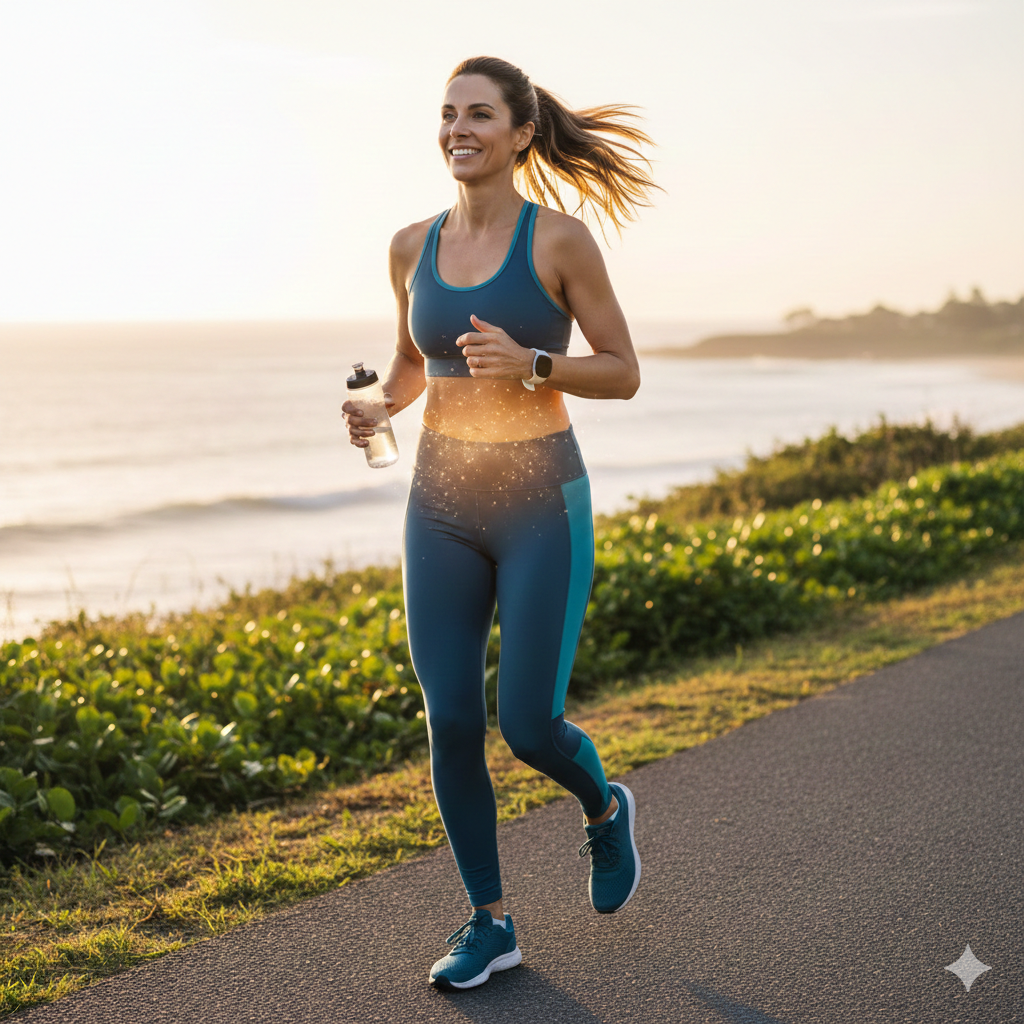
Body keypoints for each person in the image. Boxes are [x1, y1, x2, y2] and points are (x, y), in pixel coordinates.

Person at [342, 55, 658, 991]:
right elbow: (412, 361)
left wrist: (534, 365)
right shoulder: (409, 245)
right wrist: (381, 409)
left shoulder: (559, 242)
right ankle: (491, 920)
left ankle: (604, 809)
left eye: (478, 114)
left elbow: (624, 369)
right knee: (449, 719)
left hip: (539, 500)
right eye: (446, 115)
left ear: (520, 133)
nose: (457, 130)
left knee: (525, 723)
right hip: (438, 501)